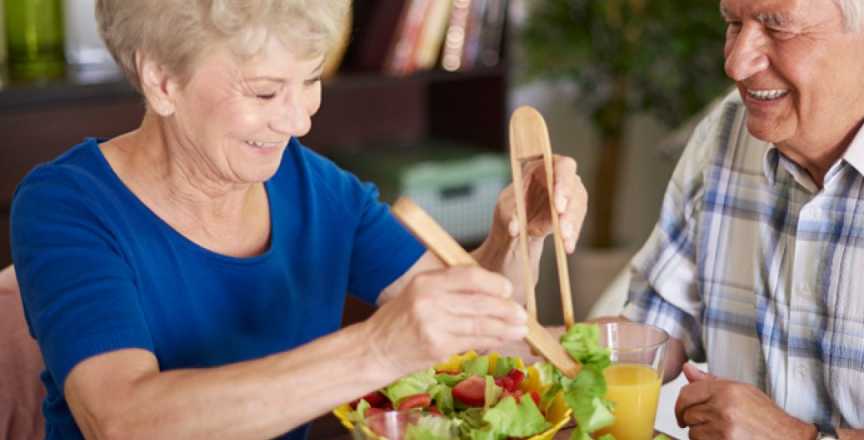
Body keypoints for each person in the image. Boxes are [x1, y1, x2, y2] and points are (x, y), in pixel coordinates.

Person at [9, 1, 588, 439]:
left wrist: (517, 235)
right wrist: (378, 350)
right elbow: (122, 420)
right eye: (265, 92)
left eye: (310, 81)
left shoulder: (317, 189)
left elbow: (483, 336)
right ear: (162, 80)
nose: (299, 121)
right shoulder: (68, 205)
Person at [618, 0, 864, 438]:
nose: (736, 63)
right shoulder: (724, 133)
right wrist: (564, 341)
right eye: (733, 23)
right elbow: (656, 326)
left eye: (777, 27)